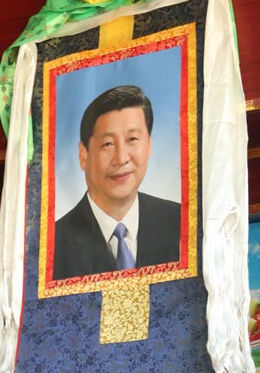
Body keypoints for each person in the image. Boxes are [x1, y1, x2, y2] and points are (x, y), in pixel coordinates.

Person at [53, 84, 181, 280]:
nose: (121, 158)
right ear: (84, 155)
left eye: (132, 139)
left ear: (149, 146)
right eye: (107, 144)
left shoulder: (181, 222)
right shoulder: (53, 245)